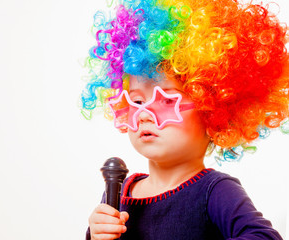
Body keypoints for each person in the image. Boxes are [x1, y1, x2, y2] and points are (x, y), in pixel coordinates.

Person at [81, 0, 289, 239]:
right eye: (136, 102)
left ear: (213, 110)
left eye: (167, 101)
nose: (146, 114)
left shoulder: (216, 191)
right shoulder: (118, 191)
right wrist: (95, 233)